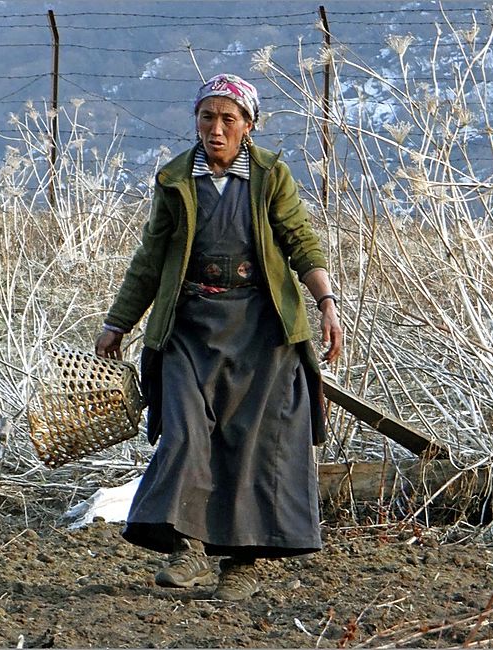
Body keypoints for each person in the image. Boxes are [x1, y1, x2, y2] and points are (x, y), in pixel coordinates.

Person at [95, 73, 343, 601]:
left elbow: (300, 240)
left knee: (253, 443)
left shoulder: (271, 177)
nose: (216, 128)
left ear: (248, 126)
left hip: (261, 330)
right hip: (190, 325)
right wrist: (119, 322)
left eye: (229, 119)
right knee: (184, 432)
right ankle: (186, 548)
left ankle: (242, 565)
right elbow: (150, 259)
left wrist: (325, 302)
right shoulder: (175, 181)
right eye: (207, 117)